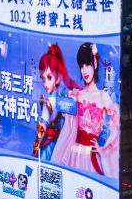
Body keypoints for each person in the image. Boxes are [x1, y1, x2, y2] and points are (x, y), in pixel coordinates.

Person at [61, 42, 120, 177]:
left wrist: (103, 149)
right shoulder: (77, 95)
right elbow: (68, 125)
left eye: (87, 65)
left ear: (95, 63)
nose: (84, 70)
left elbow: (117, 124)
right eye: (82, 66)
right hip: (73, 153)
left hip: (91, 156)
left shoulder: (103, 96)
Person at [32, 43, 78, 161]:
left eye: (49, 77)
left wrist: (35, 149)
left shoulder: (50, 102)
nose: (45, 83)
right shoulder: (63, 98)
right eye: (43, 78)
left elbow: (41, 129)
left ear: (57, 78)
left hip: (50, 145)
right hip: (60, 145)